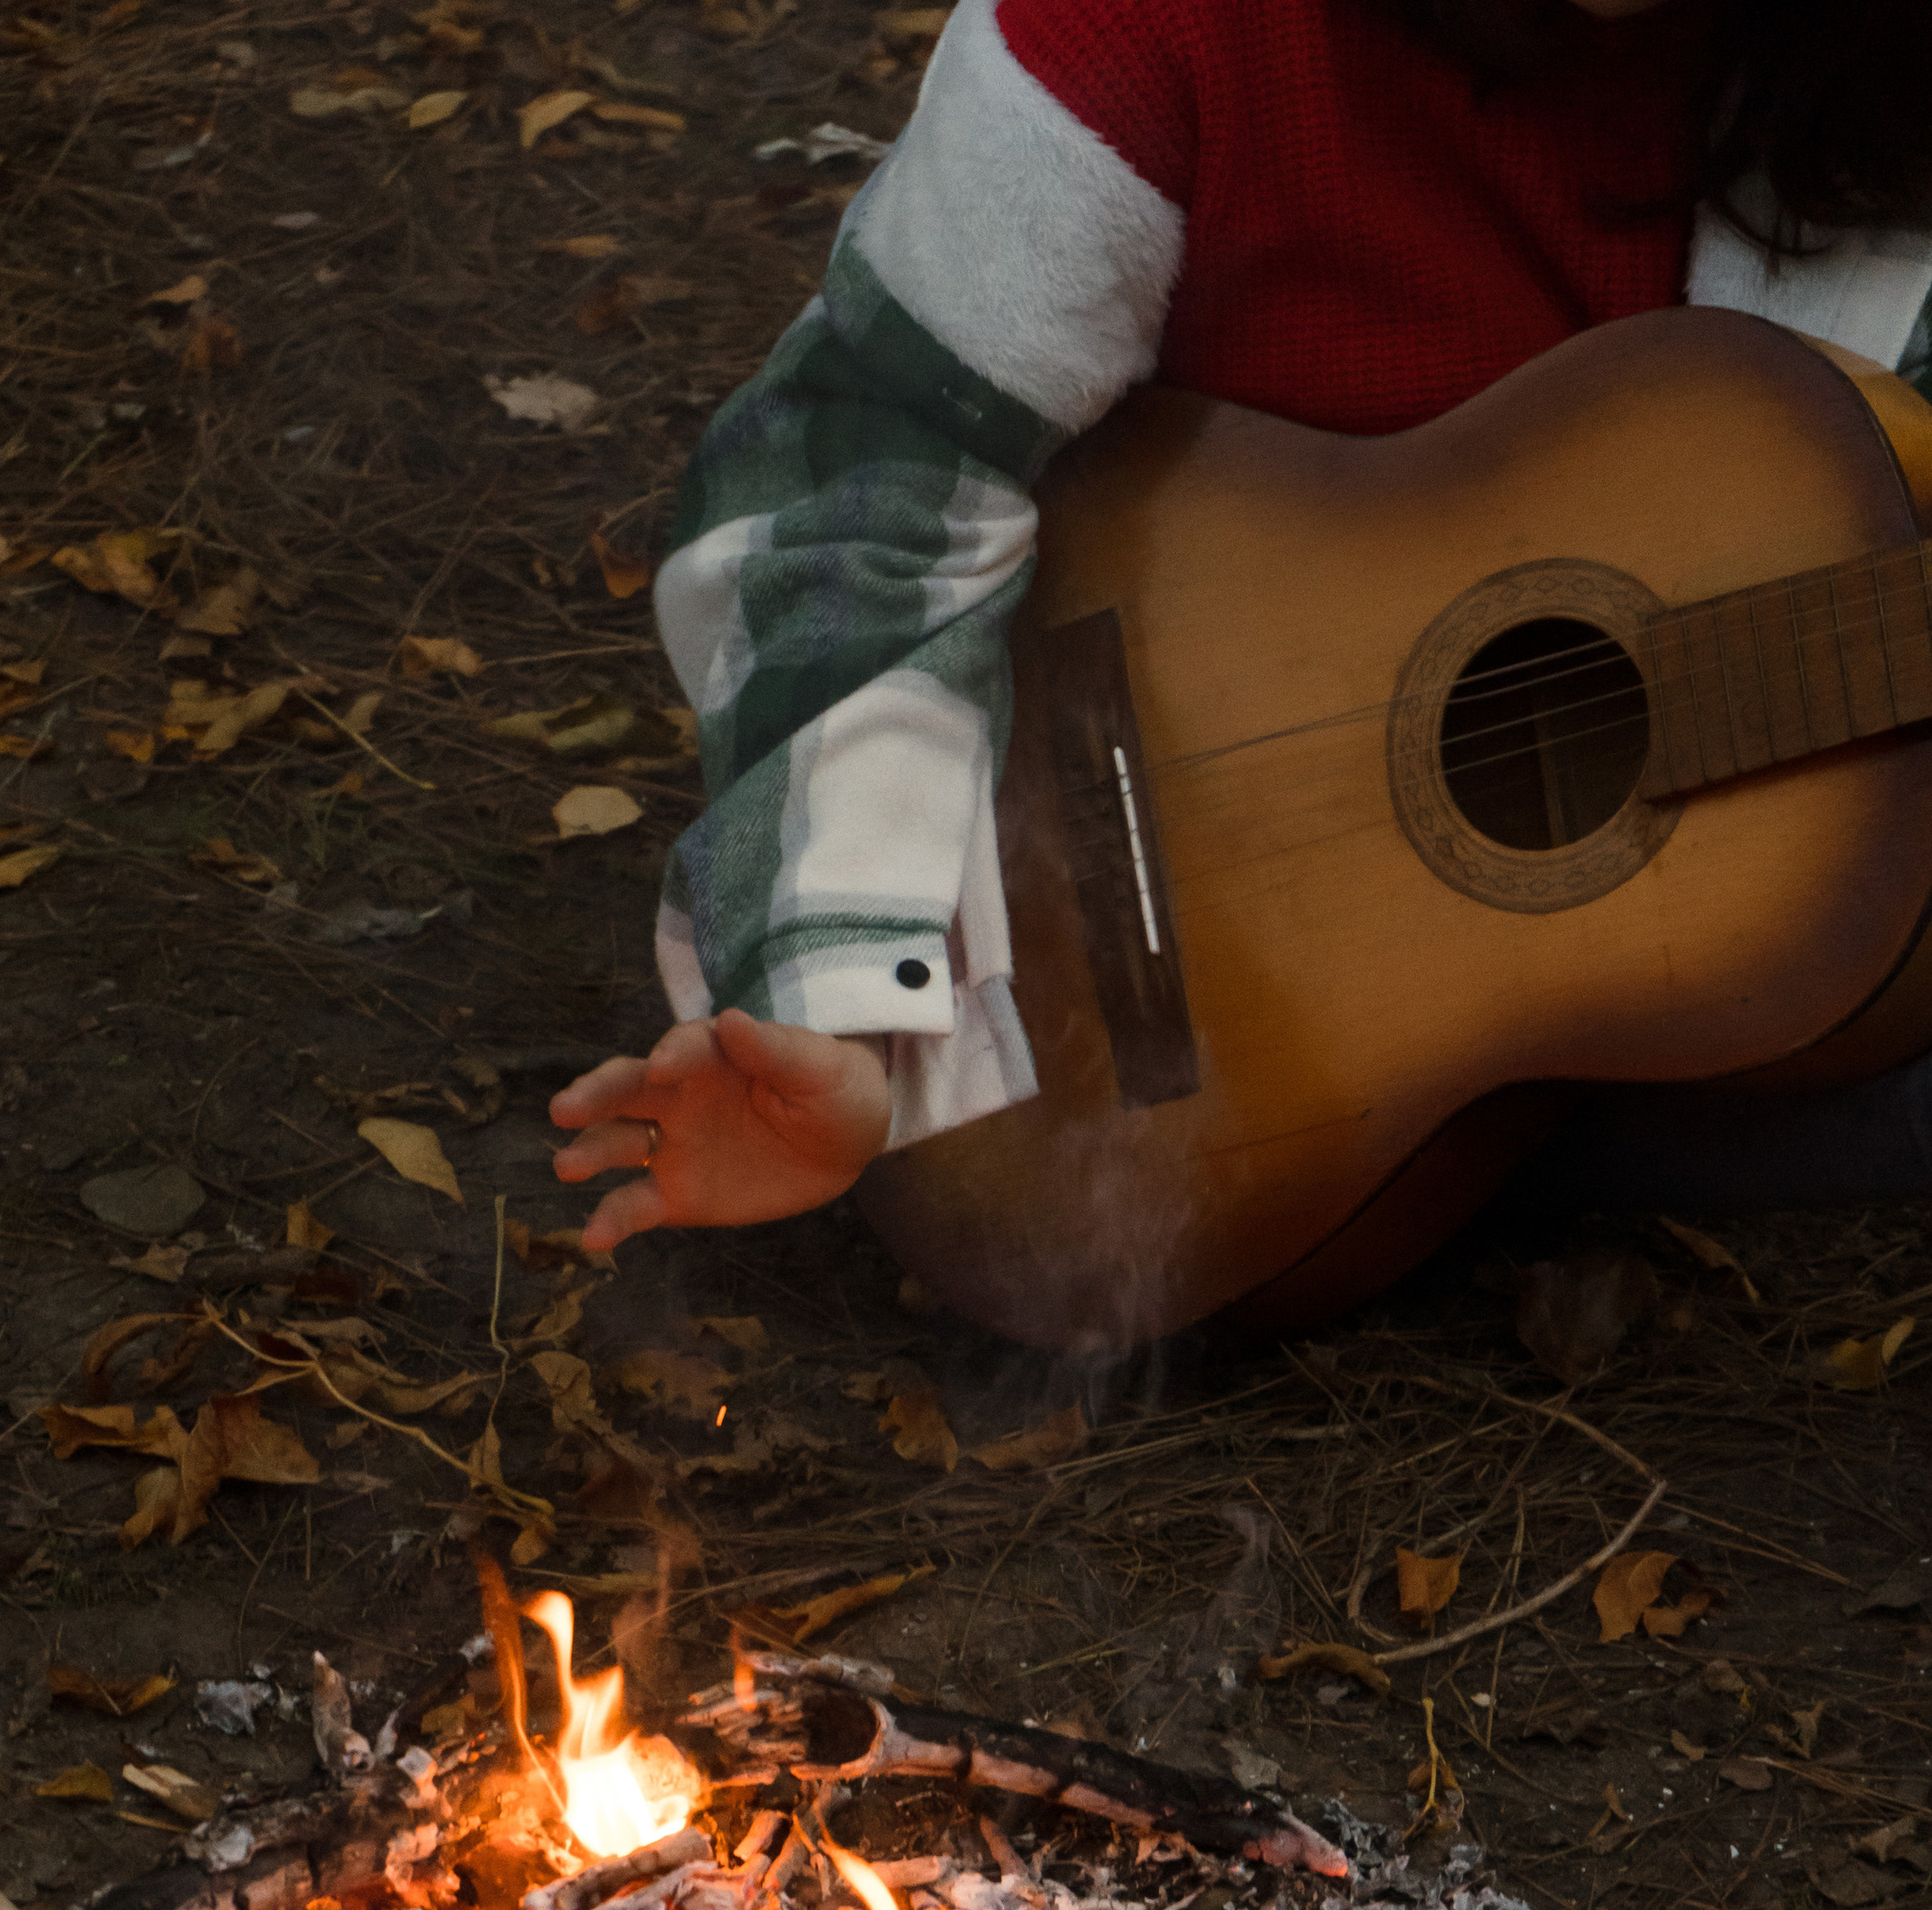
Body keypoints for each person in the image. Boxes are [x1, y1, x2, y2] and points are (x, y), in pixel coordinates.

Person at [550, 0, 1932, 1263]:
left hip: (1672, 988)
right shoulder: (1147, 32)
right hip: (1193, 1016)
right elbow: (855, 485)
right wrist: (847, 1004)